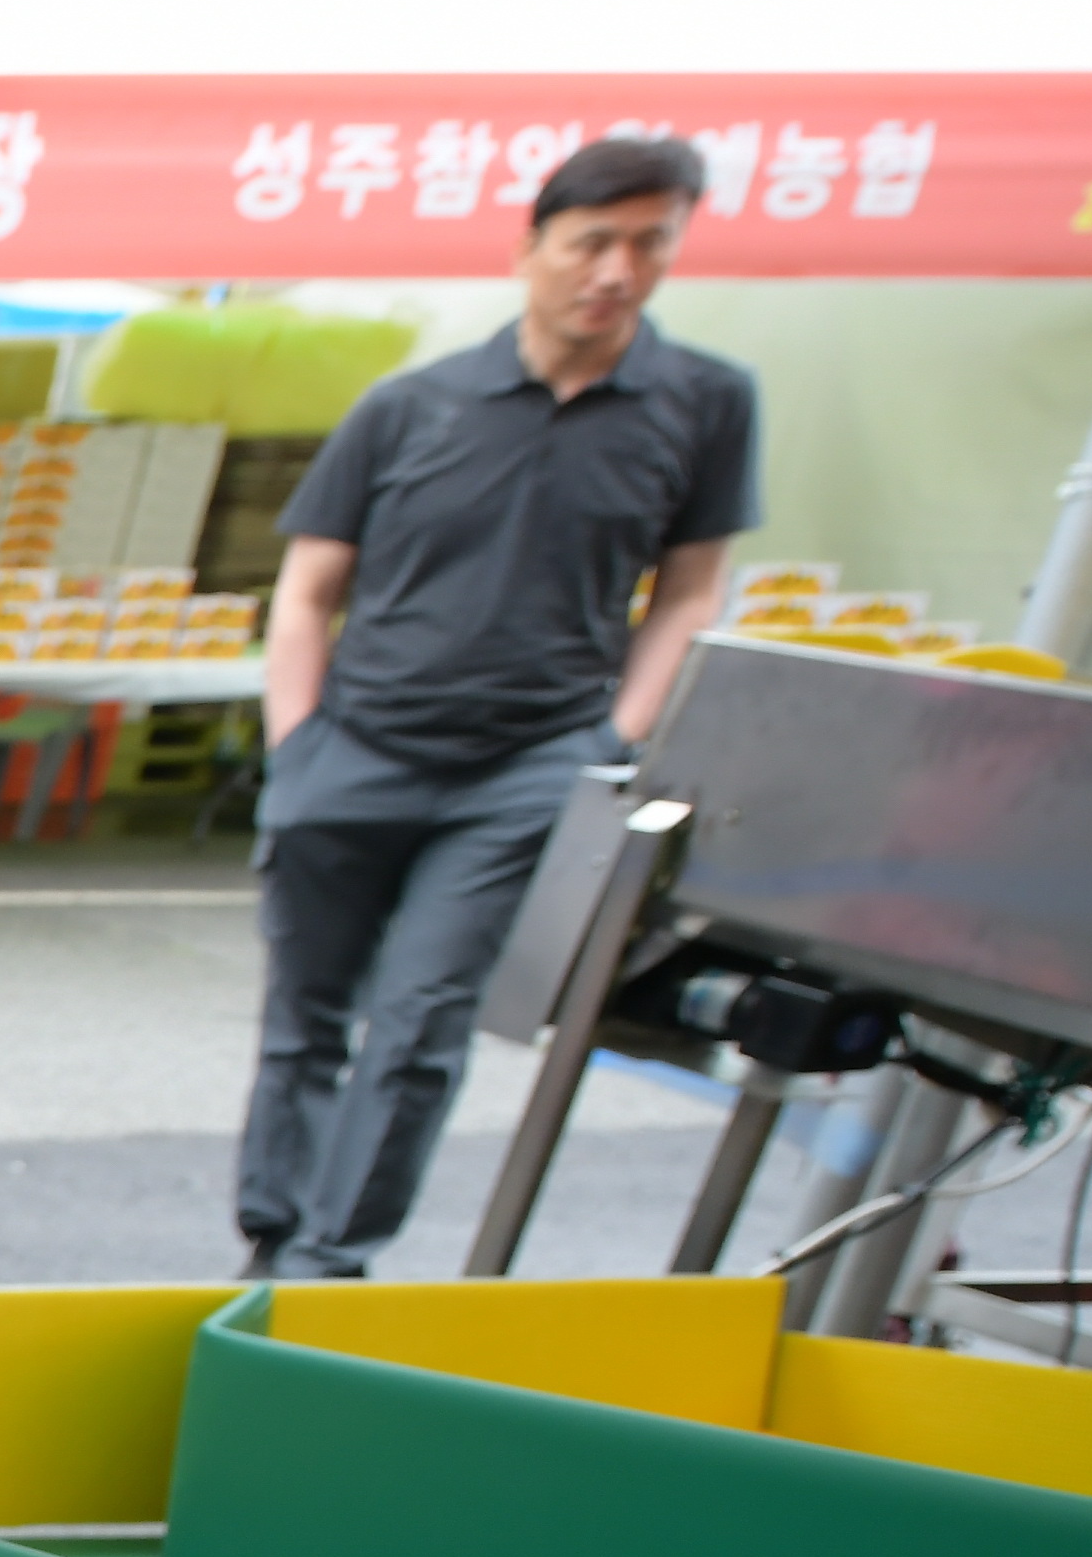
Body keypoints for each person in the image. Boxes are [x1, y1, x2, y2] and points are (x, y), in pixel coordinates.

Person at [240, 134, 753, 1279]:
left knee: (422, 1019)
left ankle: (332, 1261)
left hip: (527, 764)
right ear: (531, 249)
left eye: (650, 244)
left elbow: (691, 590)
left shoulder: (705, 402)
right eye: (593, 242)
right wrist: (297, 745)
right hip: (354, 748)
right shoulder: (411, 405)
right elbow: (309, 588)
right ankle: (272, 1236)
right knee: (305, 1017)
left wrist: (615, 740)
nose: (617, 271)